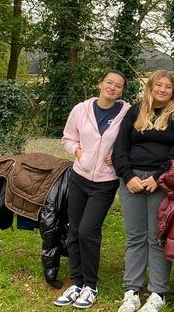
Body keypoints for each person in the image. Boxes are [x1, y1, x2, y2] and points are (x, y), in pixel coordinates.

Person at [112, 70, 174, 312]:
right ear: (150, 87)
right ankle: (131, 291)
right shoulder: (135, 111)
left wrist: (159, 177)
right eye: (158, 85)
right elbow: (120, 147)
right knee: (135, 236)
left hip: (162, 183)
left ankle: (157, 292)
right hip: (132, 182)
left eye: (167, 86)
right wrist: (128, 176)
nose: (162, 89)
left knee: (157, 237)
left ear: (173, 91)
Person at [56, 70, 131, 309]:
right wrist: (78, 152)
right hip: (79, 177)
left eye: (118, 85)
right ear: (100, 83)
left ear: (122, 90)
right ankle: (76, 283)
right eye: (109, 82)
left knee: (88, 231)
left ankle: (90, 286)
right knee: (74, 230)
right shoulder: (81, 109)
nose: (112, 87)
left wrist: (119, 156)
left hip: (105, 182)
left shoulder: (127, 113)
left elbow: (134, 140)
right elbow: (68, 138)